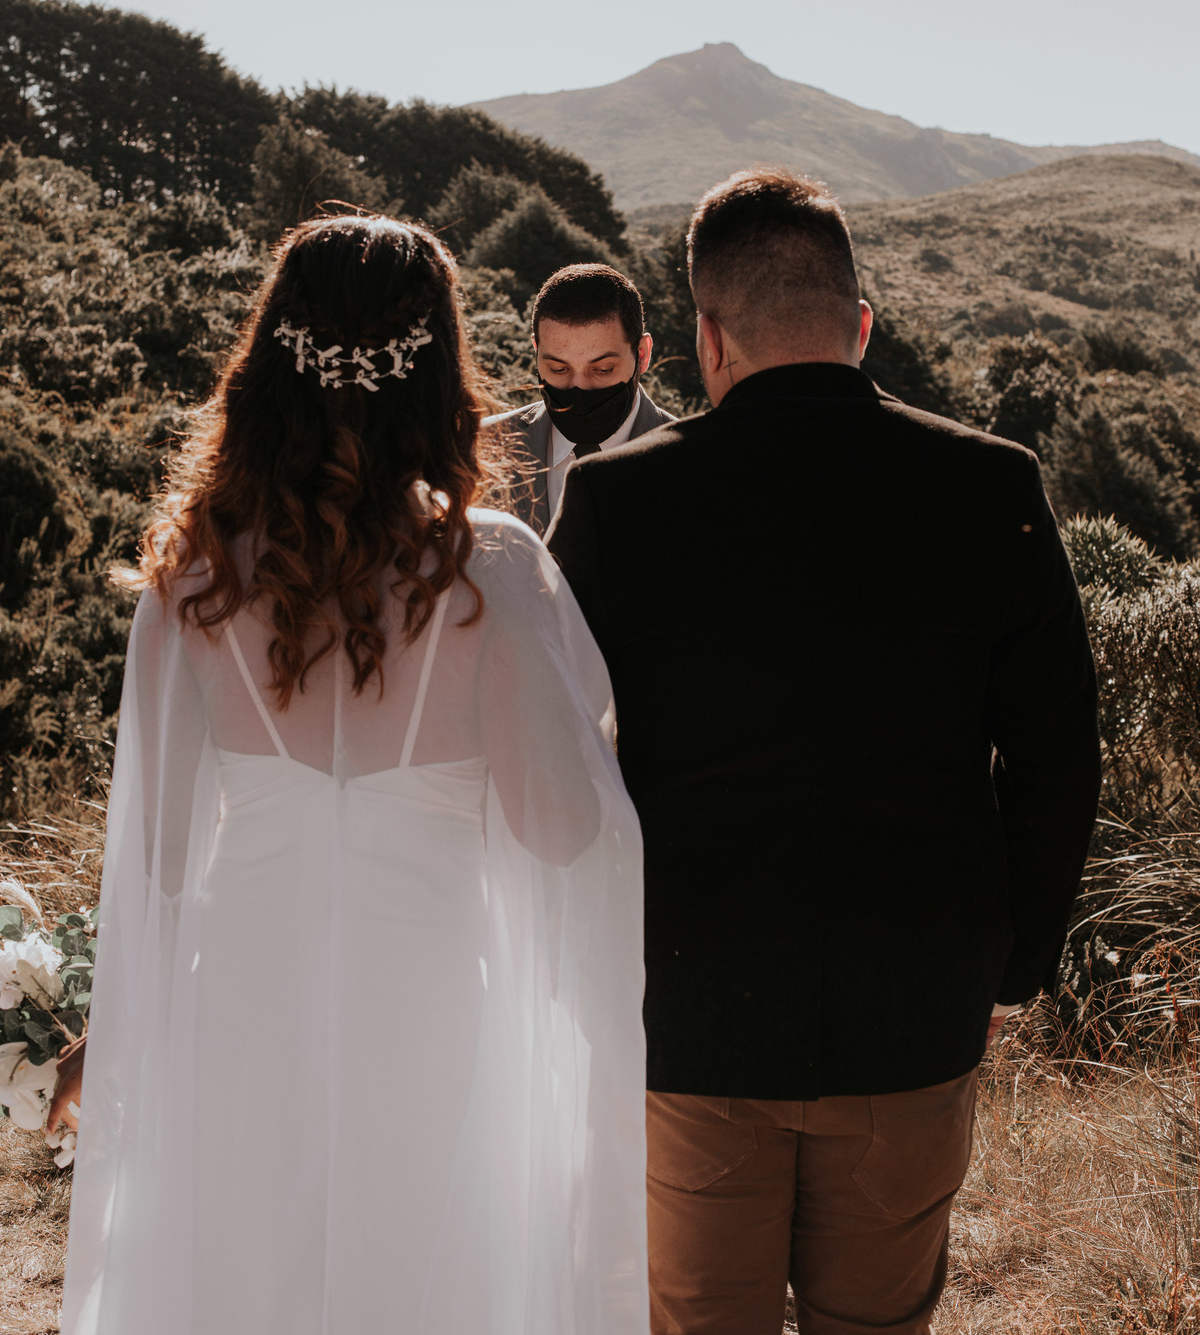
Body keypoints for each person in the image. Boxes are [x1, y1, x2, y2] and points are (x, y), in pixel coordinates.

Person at [61, 215, 649, 1335]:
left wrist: (116, 1028)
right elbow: (566, 831)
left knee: (246, 1281)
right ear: (438, 372)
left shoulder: (189, 581)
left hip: (241, 997)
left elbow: (161, 853)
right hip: (424, 1003)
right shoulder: (490, 574)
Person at [548, 167, 1101, 1335]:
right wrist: (1015, 964)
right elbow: (1059, 754)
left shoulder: (614, 503)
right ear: (860, 323)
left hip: (689, 1009)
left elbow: (550, 757)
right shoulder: (992, 484)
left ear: (703, 338)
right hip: (915, 1005)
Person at [486, 263, 674, 533]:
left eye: (602, 369)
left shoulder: (698, 463)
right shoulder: (480, 450)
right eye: (558, 369)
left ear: (642, 355)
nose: (579, 387)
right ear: (536, 351)